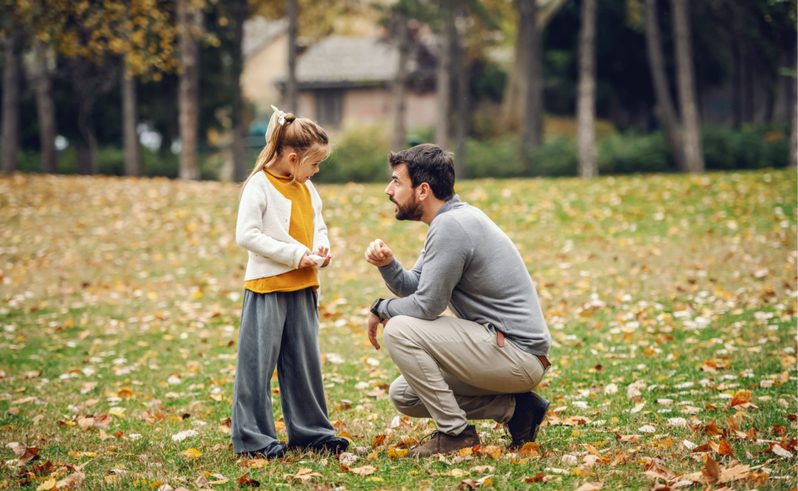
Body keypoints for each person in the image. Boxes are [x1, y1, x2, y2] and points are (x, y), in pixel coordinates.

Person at [364, 143, 552, 457]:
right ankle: (518, 409)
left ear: (423, 190)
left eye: (397, 181)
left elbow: (427, 306)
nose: (388, 189)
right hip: (506, 353)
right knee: (405, 395)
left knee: (398, 329)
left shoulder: (452, 226)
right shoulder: (449, 220)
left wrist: (381, 310)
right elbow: (415, 287)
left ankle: (455, 434)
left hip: (518, 355)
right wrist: (388, 265)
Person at [231, 106, 348, 459]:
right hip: (268, 288)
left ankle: (312, 432)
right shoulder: (259, 186)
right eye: (314, 164)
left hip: (304, 287)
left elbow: (317, 225)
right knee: (257, 366)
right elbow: (246, 235)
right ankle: (253, 439)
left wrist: (321, 247)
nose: (316, 171)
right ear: (293, 158)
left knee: (304, 363)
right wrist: (294, 256)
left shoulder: (308, 188)